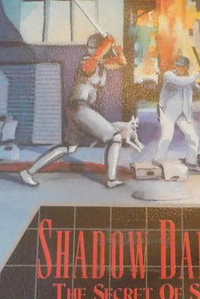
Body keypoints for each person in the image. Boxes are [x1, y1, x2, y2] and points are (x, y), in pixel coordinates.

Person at [19, 33, 129, 188]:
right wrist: (108, 43)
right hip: (79, 107)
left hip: (77, 108)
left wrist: (118, 53)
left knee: (69, 147)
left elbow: (121, 63)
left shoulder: (102, 63)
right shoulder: (87, 62)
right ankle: (111, 180)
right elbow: (92, 63)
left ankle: (28, 172)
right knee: (115, 137)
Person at [154, 56, 200, 167]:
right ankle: (158, 160)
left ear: (186, 68)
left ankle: (191, 162)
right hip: (167, 111)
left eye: (183, 67)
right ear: (175, 66)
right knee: (167, 136)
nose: (180, 68)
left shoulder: (189, 79)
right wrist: (198, 75)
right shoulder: (169, 75)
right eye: (178, 66)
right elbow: (181, 82)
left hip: (183, 113)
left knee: (193, 137)